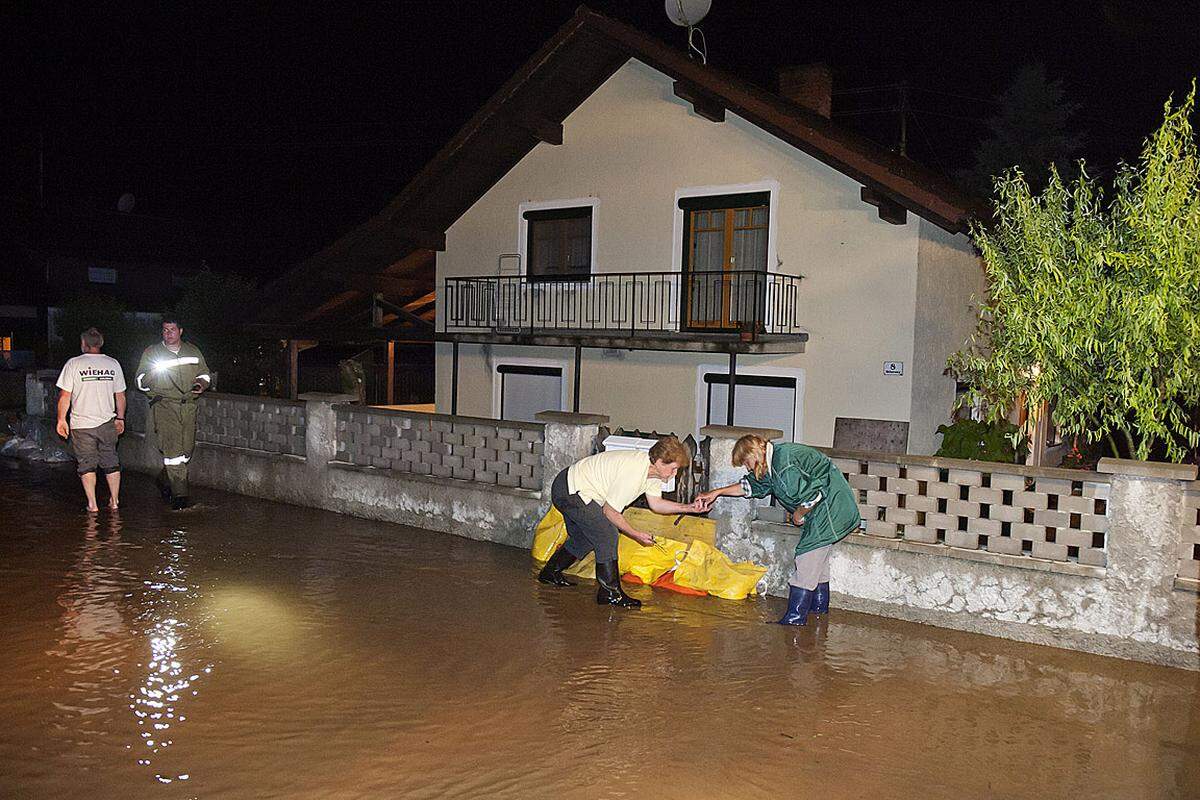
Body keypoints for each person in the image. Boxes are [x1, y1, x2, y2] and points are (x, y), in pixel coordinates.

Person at [697, 435, 861, 625]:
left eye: (746, 462)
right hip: (835, 506)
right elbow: (750, 485)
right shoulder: (773, 461)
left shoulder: (783, 466)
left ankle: (795, 620)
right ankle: (818, 615)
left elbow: (813, 495)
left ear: (754, 453)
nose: (748, 468)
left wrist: (798, 514)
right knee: (818, 567)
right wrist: (716, 493)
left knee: (806, 558)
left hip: (830, 509)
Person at [538, 436, 705, 607]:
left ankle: (550, 573)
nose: (674, 474)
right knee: (607, 534)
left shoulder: (652, 474)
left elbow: (656, 504)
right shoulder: (634, 472)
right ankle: (610, 593)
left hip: (572, 486)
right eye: (673, 469)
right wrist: (636, 534)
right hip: (569, 490)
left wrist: (690, 508)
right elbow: (610, 512)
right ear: (660, 462)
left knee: (587, 538)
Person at [135, 317, 210, 510]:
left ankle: (164, 479)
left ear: (181, 331)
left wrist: (201, 384)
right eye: (165, 330)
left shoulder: (193, 351)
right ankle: (180, 498)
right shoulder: (152, 353)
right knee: (174, 454)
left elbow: (205, 373)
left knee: (187, 450)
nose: (168, 333)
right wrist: (154, 372)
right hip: (165, 406)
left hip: (189, 406)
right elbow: (140, 382)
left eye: (172, 330)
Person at [55, 327, 126, 512]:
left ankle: (92, 505)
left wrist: (61, 419)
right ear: (100, 343)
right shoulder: (113, 364)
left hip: (81, 424)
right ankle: (114, 501)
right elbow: (120, 395)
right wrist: (120, 418)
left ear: (83, 344)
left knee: (87, 464)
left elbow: (65, 396)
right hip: (107, 423)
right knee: (111, 460)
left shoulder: (73, 364)